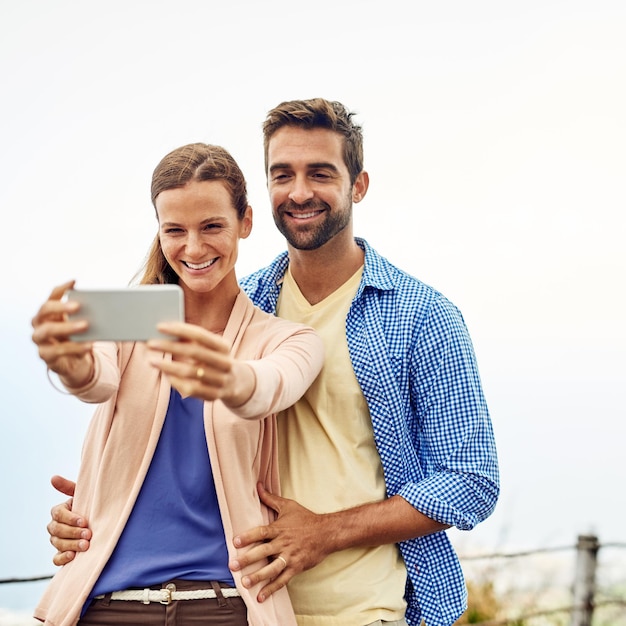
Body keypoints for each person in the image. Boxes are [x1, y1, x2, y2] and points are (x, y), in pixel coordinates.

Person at [46, 99, 500, 626]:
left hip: (358, 609)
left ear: (359, 185)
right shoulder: (239, 299)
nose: (300, 191)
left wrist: (326, 531)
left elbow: (471, 481)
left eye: (321, 173)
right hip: (244, 605)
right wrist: (106, 500)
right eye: (283, 174)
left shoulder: (422, 315)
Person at [31, 143, 324, 626]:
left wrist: (228, 377)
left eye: (212, 226)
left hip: (226, 608)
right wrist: (69, 362)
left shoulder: (287, 338)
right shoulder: (125, 316)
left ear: (245, 222)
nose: (193, 248)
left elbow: (270, 386)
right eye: (175, 231)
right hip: (106, 608)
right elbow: (96, 379)